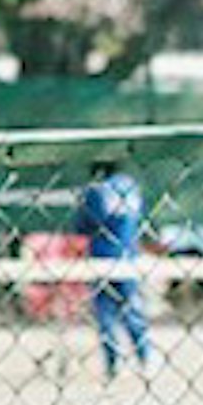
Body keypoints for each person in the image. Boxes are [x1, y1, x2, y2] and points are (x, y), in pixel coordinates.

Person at [74, 157, 153, 376]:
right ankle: (145, 357)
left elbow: (83, 225)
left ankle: (112, 363)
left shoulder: (96, 190)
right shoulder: (130, 187)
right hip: (129, 253)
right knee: (132, 307)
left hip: (103, 255)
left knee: (105, 312)